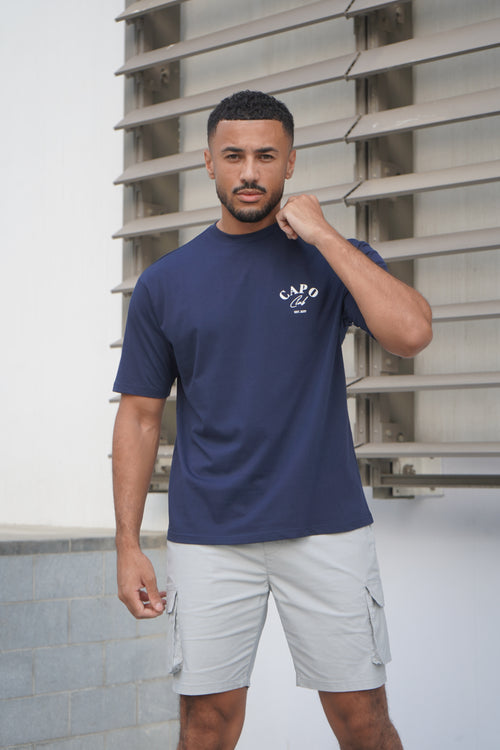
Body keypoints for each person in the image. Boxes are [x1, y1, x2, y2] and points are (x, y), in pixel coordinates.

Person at [112, 90, 432, 750]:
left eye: (266, 156)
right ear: (209, 163)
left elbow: (411, 332)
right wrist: (127, 543)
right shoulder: (166, 283)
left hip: (326, 526)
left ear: (290, 162)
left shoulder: (330, 258)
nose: (250, 172)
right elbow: (140, 416)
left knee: (363, 720)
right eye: (233, 156)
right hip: (209, 534)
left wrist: (324, 234)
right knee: (206, 725)